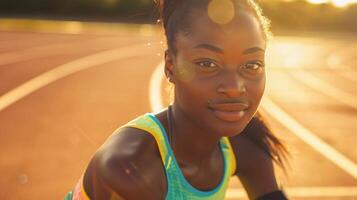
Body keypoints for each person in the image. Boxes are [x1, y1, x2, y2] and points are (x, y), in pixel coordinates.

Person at [65, 0, 289, 199]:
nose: (234, 88)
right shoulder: (131, 166)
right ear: (171, 66)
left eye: (252, 65)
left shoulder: (244, 146)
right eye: (208, 64)